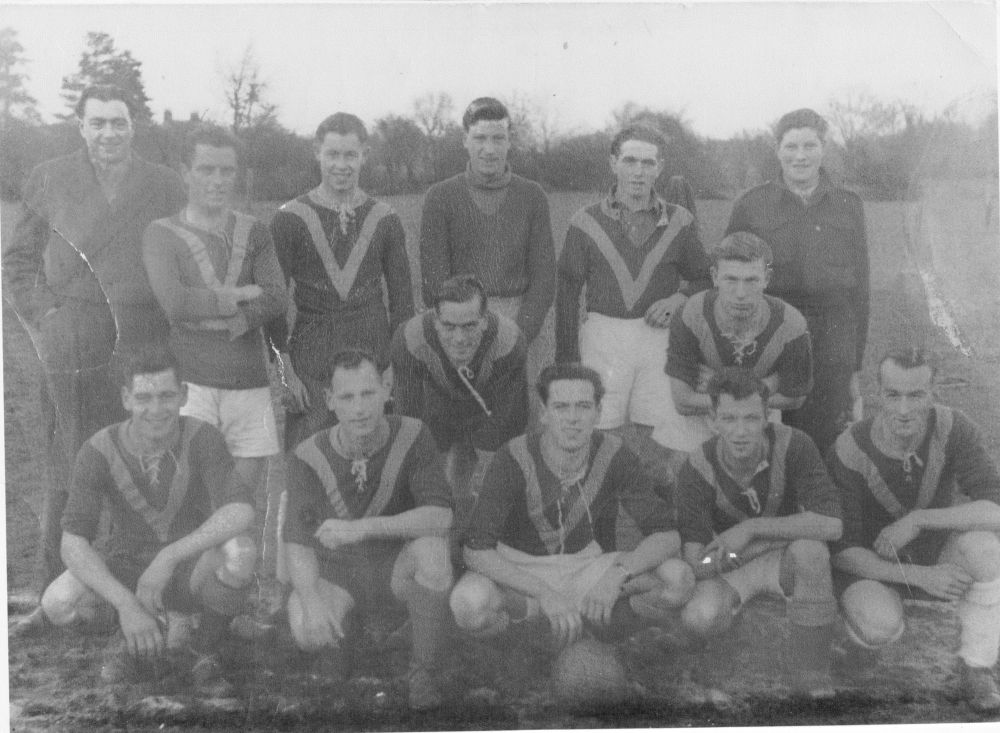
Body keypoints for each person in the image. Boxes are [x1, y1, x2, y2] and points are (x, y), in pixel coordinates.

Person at [4, 84, 187, 624]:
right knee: (70, 461)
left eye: (120, 122)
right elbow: (18, 259)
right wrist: (47, 317)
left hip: (145, 337)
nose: (110, 132)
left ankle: (161, 593)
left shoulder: (164, 184)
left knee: (150, 457)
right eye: (99, 122)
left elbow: (189, 251)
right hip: (74, 338)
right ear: (81, 127)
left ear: (134, 126)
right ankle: (48, 595)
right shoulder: (51, 177)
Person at [30, 345, 257, 695]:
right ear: (126, 398)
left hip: (188, 567)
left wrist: (169, 557)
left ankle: (200, 650)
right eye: (144, 397)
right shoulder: (99, 449)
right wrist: (125, 604)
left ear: (183, 395)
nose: (155, 409)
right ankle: (132, 636)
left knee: (241, 553)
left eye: (166, 396)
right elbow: (72, 544)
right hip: (127, 567)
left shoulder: (202, 436)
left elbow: (241, 510)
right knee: (58, 602)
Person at [450, 362, 695, 649]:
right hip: (520, 570)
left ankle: (604, 634)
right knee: (468, 604)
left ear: (598, 412)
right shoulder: (514, 456)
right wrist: (544, 593)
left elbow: (666, 535)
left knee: (678, 579)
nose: (573, 418)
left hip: (584, 566)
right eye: (561, 407)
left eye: (583, 406)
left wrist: (617, 575)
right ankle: (526, 649)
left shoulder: (614, 453)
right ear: (544, 413)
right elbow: (476, 550)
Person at [279, 349, 454, 710]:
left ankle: (423, 672)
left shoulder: (413, 434)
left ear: (387, 390)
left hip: (393, 570)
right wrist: (311, 601)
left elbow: (440, 517)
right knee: (306, 632)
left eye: (368, 394)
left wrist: (362, 528)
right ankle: (357, 630)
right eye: (347, 397)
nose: (359, 408)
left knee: (434, 555)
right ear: (330, 401)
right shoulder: (309, 453)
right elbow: (297, 541)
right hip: (337, 574)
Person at [828, 348, 1000, 713]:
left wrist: (920, 520)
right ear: (877, 393)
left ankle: (977, 666)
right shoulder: (849, 448)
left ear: (934, 392)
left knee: (987, 549)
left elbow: (995, 509)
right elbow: (843, 552)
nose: (904, 410)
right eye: (893, 395)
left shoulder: (954, 427)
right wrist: (920, 576)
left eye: (916, 395)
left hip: (931, 553)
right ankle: (850, 636)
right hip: (873, 567)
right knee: (878, 626)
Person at [142, 124, 287, 540]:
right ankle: (185, 593)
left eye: (227, 170)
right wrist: (240, 297)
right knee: (185, 497)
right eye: (206, 170)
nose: (218, 180)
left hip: (249, 382)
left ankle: (224, 596)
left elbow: (276, 297)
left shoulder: (255, 230)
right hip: (190, 383)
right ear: (185, 172)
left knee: (239, 502)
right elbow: (174, 302)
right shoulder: (161, 233)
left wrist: (222, 318)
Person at [675, 368, 842, 699]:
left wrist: (751, 528)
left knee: (812, 552)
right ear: (713, 421)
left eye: (751, 419)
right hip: (733, 561)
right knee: (699, 615)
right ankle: (714, 665)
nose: (740, 431)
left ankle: (810, 672)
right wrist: (748, 548)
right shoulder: (697, 467)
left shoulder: (794, 444)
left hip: (782, 556)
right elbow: (696, 563)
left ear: (767, 417)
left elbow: (832, 525)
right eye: (729, 419)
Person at [556, 124, 712, 466]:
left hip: (658, 339)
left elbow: (704, 278)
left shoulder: (680, 221)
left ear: (659, 167)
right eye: (630, 161)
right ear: (614, 163)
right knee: (598, 429)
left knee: (659, 432)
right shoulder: (585, 221)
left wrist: (677, 300)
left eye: (647, 163)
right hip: (602, 336)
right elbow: (566, 293)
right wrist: (567, 361)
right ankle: (599, 505)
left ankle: (655, 513)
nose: (638, 172)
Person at [726, 108, 869, 453]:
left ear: (824, 148)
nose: (800, 156)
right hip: (771, 327)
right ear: (777, 149)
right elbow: (728, 278)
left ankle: (823, 503)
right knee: (767, 431)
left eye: (810, 145)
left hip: (834, 332)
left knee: (826, 435)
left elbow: (861, 289)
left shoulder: (848, 205)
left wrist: (855, 364)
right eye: (791, 146)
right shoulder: (752, 204)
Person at [269, 112, 415, 449]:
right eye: (333, 154)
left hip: (372, 346)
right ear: (317, 153)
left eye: (350, 155)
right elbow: (274, 305)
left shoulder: (385, 218)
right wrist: (285, 372)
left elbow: (403, 300)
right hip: (313, 351)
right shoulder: (289, 218)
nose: (341, 164)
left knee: (374, 451)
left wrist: (393, 364)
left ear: (365, 154)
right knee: (311, 454)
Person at [419, 96, 554, 362]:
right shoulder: (440, 197)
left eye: (498, 138)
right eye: (480, 138)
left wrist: (520, 336)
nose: (489, 149)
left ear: (509, 141)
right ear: (465, 140)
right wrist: (464, 332)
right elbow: (434, 280)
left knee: (522, 401)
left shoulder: (532, 196)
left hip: (520, 322)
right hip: (462, 324)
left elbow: (544, 278)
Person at [390, 274, 528, 505]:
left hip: (489, 407)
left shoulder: (510, 341)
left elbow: (510, 419)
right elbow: (408, 419)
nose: (459, 338)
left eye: (470, 326)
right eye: (449, 327)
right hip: (437, 409)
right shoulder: (409, 340)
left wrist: (486, 476)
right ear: (435, 320)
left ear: (484, 320)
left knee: (493, 491)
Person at [667, 231, 813, 446]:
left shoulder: (791, 324)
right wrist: (767, 385)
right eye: (731, 280)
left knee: (755, 474)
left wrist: (720, 390)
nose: (741, 293)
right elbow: (682, 401)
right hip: (701, 416)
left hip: (754, 413)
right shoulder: (690, 313)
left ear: (767, 278)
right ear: (715, 277)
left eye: (751, 280)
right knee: (694, 473)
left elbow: (795, 398)